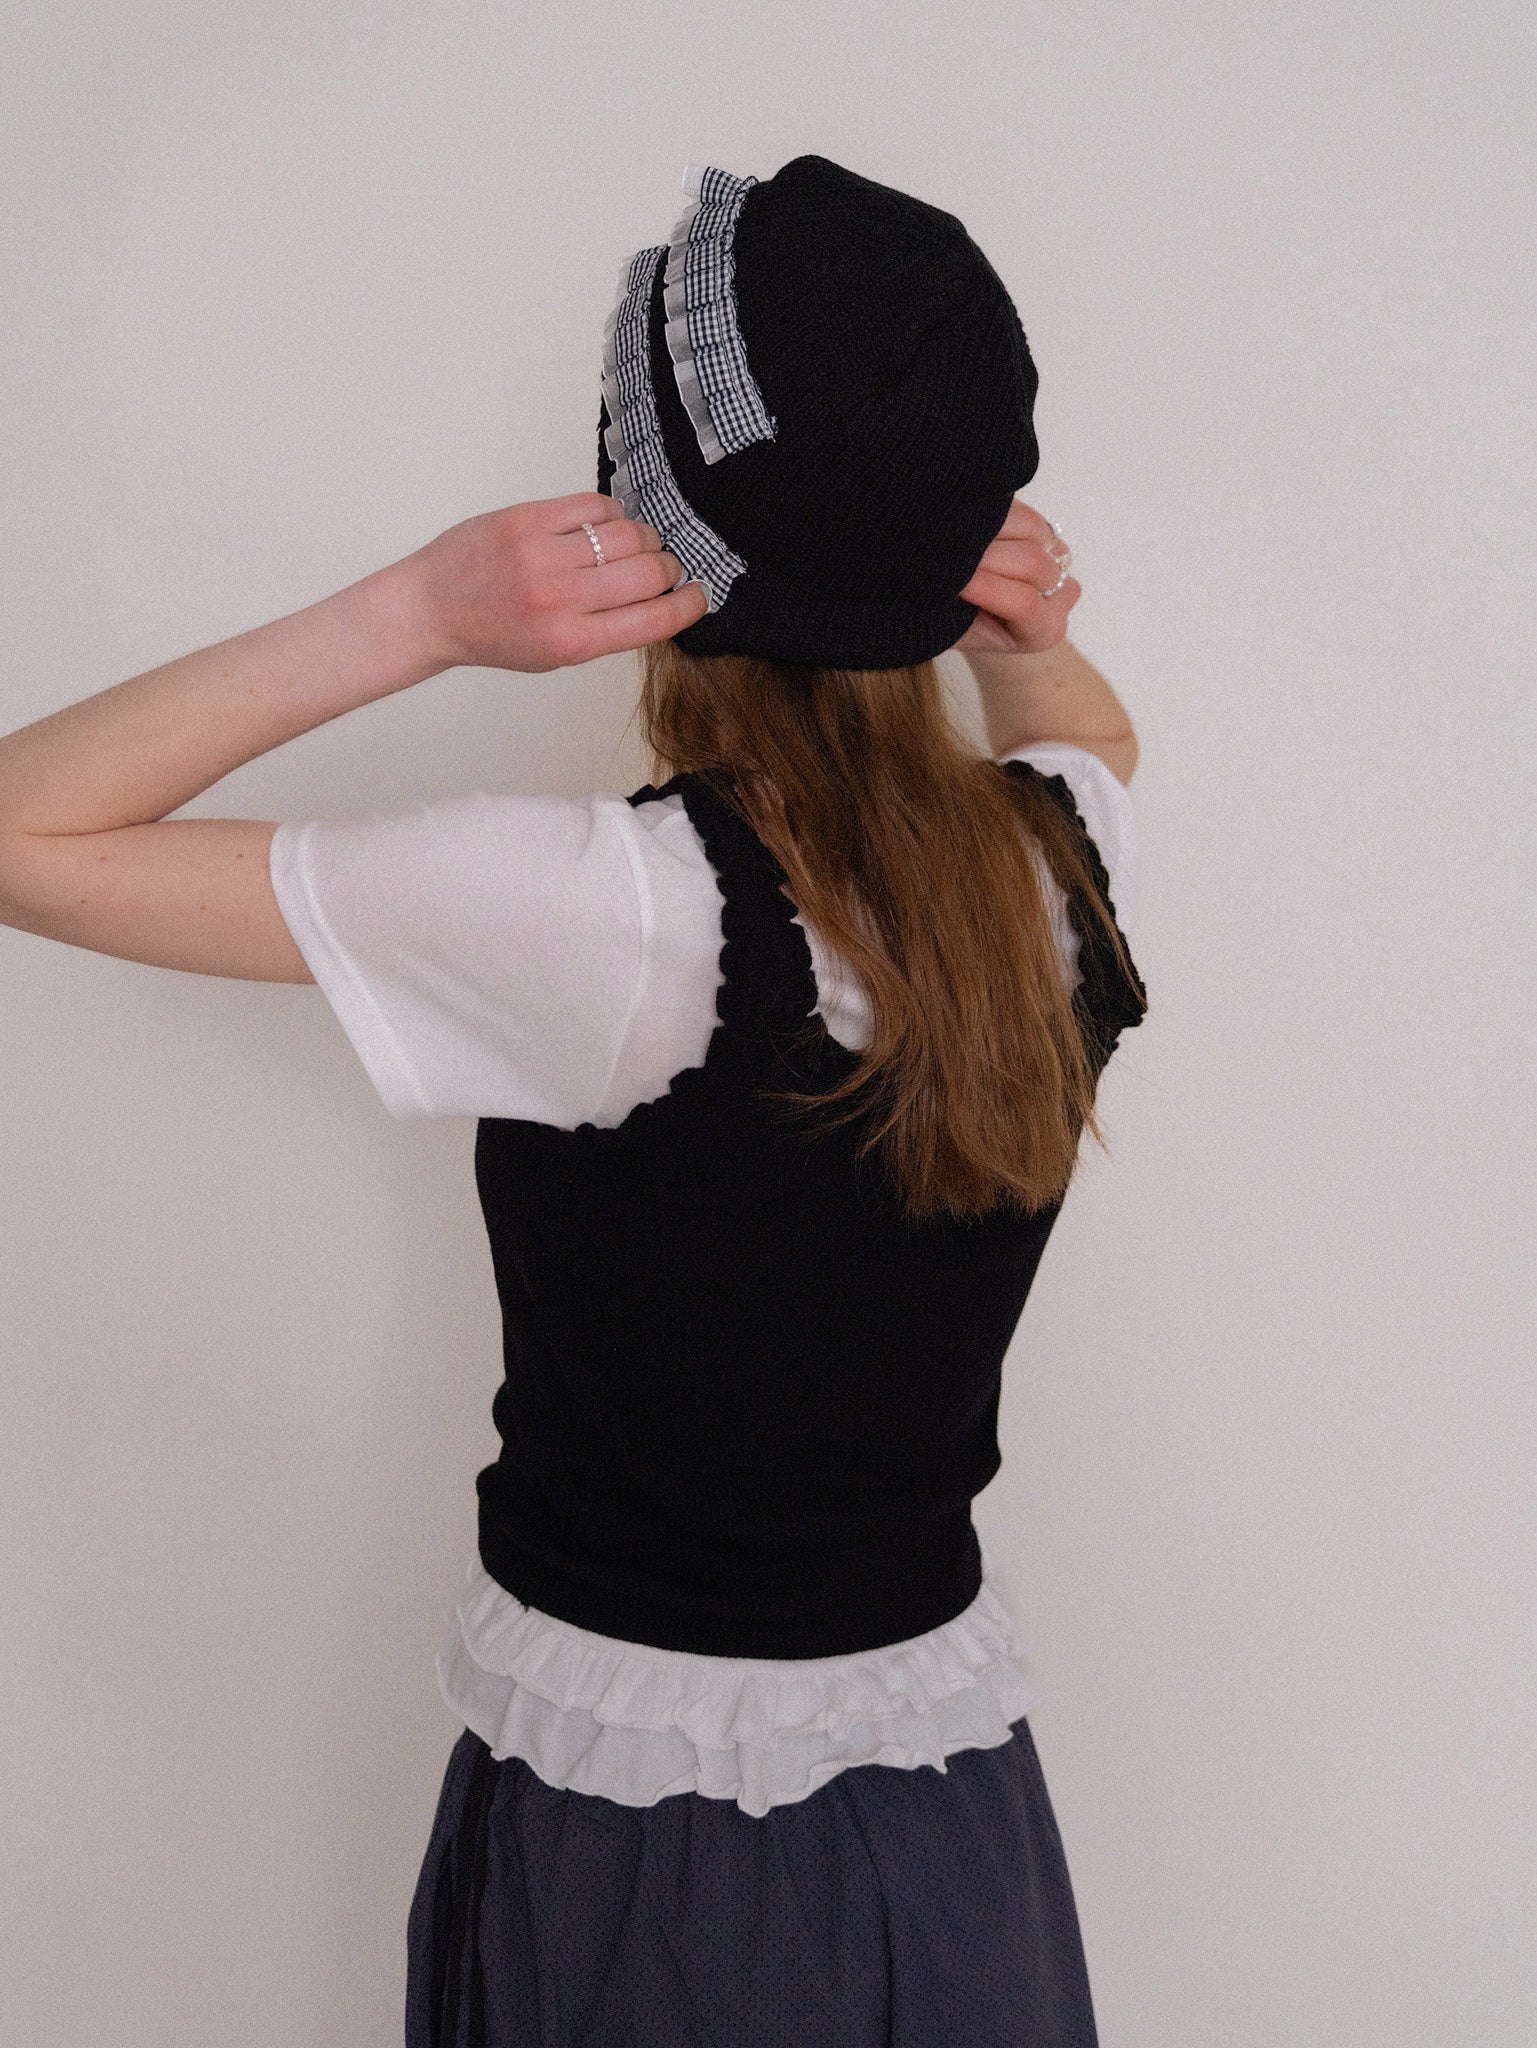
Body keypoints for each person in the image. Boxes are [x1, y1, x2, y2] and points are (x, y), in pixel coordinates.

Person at [0, 154, 1147, 2047]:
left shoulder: (604, 917)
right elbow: (1092, 738)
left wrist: (414, 614)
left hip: (650, 1852)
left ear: (643, 523)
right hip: (952, 1816)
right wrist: (1021, 632)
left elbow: (23, 835)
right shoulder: (1056, 868)